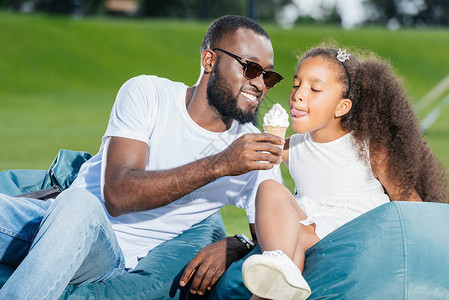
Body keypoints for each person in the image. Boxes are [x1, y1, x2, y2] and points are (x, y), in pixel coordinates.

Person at [0, 15, 286, 299]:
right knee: (68, 205)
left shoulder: (255, 152)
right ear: (209, 60)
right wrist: (221, 164)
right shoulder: (148, 94)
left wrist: (239, 243)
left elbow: (275, 243)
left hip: (104, 253)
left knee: (79, 205)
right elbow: (118, 192)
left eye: (269, 76)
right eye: (250, 69)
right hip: (47, 221)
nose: (260, 84)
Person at [241, 45, 449, 300]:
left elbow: (409, 204)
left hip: (358, 233)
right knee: (270, 191)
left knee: (289, 239)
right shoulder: (292, 147)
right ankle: (281, 270)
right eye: (296, 85)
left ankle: (278, 275)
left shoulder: (369, 147)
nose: (297, 95)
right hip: (313, 229)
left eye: (314, 89)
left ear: (342, 107)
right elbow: (261, 173)